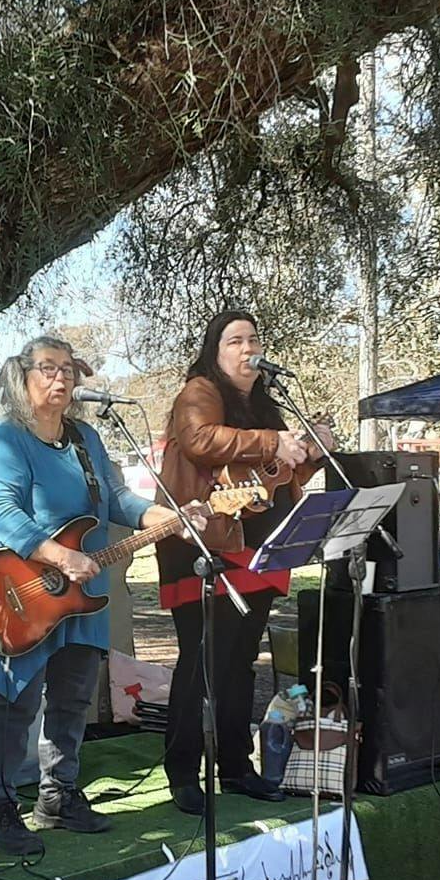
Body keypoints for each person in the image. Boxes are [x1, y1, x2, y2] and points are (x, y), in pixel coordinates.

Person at [0, 336, 198, 857]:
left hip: (81, 595)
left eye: (69, 370)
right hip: (20, 592)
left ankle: (58, 797)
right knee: (16, 702)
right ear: (23, 376)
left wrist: (166, 518)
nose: (61, 379)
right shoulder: (8, 438)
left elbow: (116, 498)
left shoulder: (86, 439)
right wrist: (57, 555)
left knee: (73, 699)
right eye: (48, 368)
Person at [158, 309, 329, 815]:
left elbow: (273, 473)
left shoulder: (265, 404)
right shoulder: (199, 391)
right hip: (204, 546)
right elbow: (199, 440)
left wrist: (312, 450)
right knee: (200, 663)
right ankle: (183, 773)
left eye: (253, 339)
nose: (247, 347)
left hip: (261, 547)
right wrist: (273, 441)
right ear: (215, 351)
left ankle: (235, 765)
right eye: (235, 340)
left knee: (238, 664)